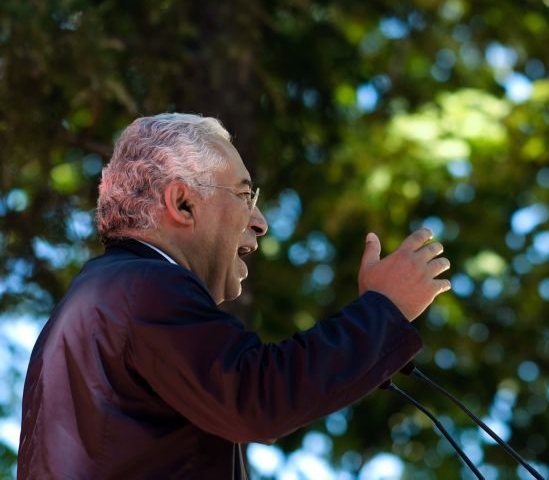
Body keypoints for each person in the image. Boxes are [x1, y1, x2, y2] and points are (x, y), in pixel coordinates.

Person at [18, 113, 452, 479]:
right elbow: (256, 398)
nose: (260, 221)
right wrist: (384, 310)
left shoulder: (99, 297)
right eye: (245, 195)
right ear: (182, 203)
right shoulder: (145, 288)